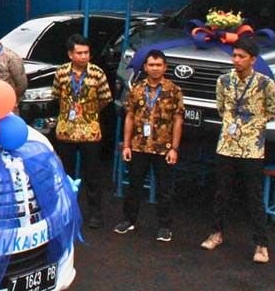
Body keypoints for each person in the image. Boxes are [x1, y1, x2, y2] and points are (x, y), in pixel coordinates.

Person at [200, 37, 275, 263]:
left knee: (253, 195)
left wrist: (252, 125)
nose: (236, 60)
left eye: (241, 57)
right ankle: (216, 233)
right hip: (227, 144)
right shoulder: (224, 80)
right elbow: (221, 108)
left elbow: (272, 110)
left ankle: (261, 244)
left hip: (252, 147)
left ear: (253, 59)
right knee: (221, 192)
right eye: (234, 55)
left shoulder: (264, 83)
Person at [113, 50, 183, 241]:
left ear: (165, 67)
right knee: (134, 186)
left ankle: (165, 226)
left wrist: (174, 148)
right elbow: (129, 117)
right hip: (139, 146)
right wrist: (126, 145)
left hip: (163, 147)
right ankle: (128, 220)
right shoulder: (136, 89)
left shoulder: (173, 90)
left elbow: (178, 120)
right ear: (145, 67)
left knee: (164, 189)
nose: (155, 68)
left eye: (158, 65)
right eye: (151, 65)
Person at [52, 33, 112, 228]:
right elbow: (56, 95)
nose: (84, 56)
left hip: (89, 130)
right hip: (66, 130)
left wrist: (87, 113)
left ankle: (95, 214)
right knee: (65, 172)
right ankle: (66, 210)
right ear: (70, 54)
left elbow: (105, 99)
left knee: (92, 173)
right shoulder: (61, 72)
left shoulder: (97, 73)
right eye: (79, 53)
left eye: (86, 52)